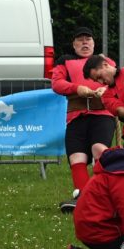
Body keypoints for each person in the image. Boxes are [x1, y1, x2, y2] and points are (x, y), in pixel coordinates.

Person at [51, 27, 116, 213]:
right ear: (74, 44)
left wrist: (106, 89)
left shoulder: (105, 61)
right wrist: (77, 89)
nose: (85, 43)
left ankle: (105, 195)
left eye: (88, 39)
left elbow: (115, 78)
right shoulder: (65, 61)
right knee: (76, 157)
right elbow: (57, 83)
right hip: (76, 115)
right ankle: (85, 198)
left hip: (102, 114)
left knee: (100, 151)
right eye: (80, 40)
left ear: (94, 43)